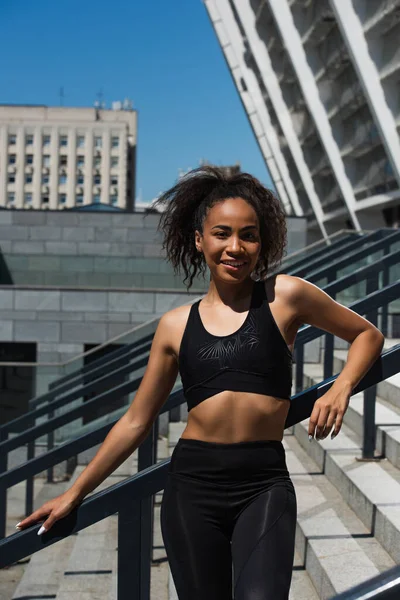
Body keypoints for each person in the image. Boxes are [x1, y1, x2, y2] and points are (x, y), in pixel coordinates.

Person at [16, 166, 384, 599]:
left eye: (248, 235)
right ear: (199, 239)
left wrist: (340, 387)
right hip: (192, 488)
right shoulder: (174, 326)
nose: (236, 247)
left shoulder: (285, 296)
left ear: (261, 241)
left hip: (263, 484)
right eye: (222, 233)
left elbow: (367, 335)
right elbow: (137, 421)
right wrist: (75, 493)